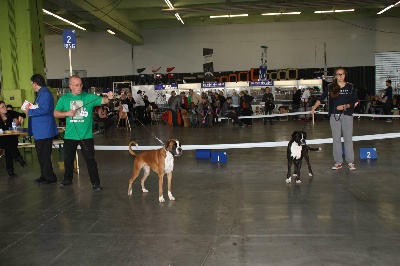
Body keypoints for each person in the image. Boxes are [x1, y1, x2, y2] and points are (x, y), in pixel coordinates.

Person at [54, 75, 114, 191]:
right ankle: (67, 180)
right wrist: (66, 113)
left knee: (90, 160)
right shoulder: (64, 99)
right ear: (70, 86)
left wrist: (109, 98)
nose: (79, 87)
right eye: (76, 85)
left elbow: (103, 100)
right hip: (70, 135)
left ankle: (95, 183)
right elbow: (55, 113)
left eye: (81, 84)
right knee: (68, 159)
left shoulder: (89, 97)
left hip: (86, 136)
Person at [311, 67, 358, 171]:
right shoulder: (330, 87)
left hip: (347, 115)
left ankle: (350, 162)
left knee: (348, 139)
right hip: (334, 115)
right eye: (338, 74)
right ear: (335, 76)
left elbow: (355, 101)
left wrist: (345, 106)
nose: (340, 76)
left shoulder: (350, 87)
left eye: (342, 74)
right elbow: (321, 98)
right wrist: (314, 107)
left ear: (345, 75)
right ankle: (338, 162)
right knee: (336, 139)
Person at [23, 74, 59, 184]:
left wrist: (29, 112)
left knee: (44, 154)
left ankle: (50, 177)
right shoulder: (42, 93)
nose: (32, 85)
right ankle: (45, 174)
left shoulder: (45, 94)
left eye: (32, 83)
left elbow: (44, 110)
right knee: (41, 154)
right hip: (41, 130)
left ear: (35, 83)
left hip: (44, 130)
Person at [0, 101, 27, 177]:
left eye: (5, 106)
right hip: (1, 139)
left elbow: (23, 115)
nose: (5, 108)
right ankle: (17, 157)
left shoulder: (10, 113)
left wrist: (19, 119)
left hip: (11, 138)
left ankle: (11, 168)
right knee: (8, 143)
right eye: (2, 107)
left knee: (9, 146)